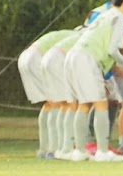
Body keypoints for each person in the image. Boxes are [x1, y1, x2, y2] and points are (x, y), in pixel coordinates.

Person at [63, 0, 123, 163]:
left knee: (83, 105)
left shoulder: (106, 14)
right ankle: (102, 151)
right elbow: (113, 49)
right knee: (101, 104)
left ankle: (80, 151)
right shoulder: (121, 18)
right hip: (87, 58)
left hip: (73, 55)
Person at [18, 27, 79, 158]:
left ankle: (44, 149)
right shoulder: (82, 38)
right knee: (64, 103)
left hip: (25, 57)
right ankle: (57, 148)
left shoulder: (67, 34)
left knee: (50, 103)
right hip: (39, 59)